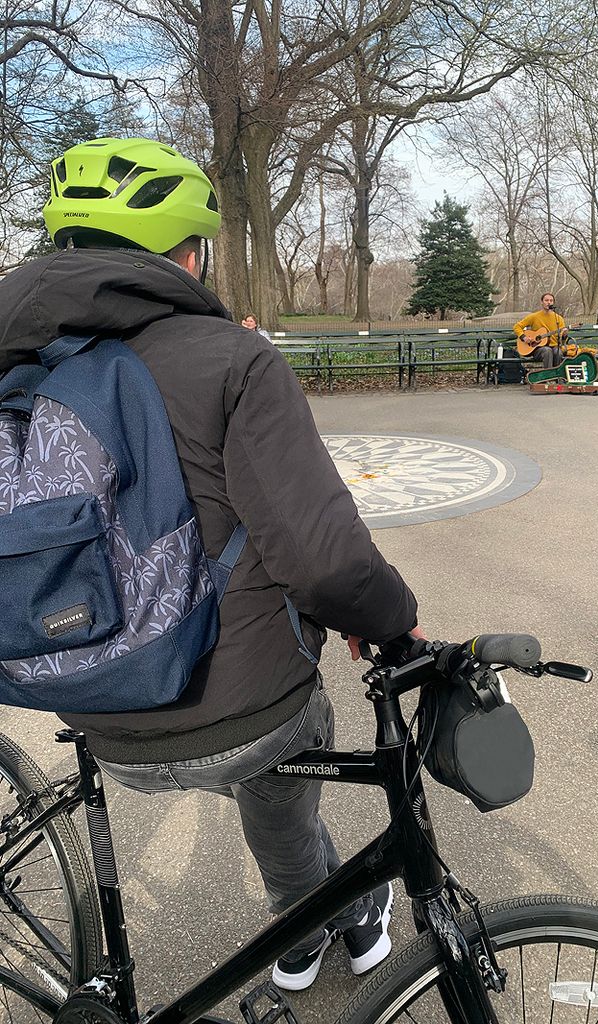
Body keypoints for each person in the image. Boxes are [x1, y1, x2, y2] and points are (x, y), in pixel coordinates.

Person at [0, 137, 424, 991]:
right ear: (187, 254)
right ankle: (310, 928)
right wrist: (394, 624)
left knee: (223, 757)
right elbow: (328, 567)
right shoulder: (232, 357)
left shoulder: (13, 368)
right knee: (280, 765)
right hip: (247, 717)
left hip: (88, 711)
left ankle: (300, 932)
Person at [514, 293, 569, 369]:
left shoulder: (559, 319)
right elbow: (517, 326)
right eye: (546, 300)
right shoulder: (534, 316)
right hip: (537, 348)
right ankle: (548, 377)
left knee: (558, 352)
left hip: (554, 347)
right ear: (542, 302)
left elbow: (562, 340)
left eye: (551, 300)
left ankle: (557, 377)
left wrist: (564, 335)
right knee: (547, 350)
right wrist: (524, 337)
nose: (549, 302)